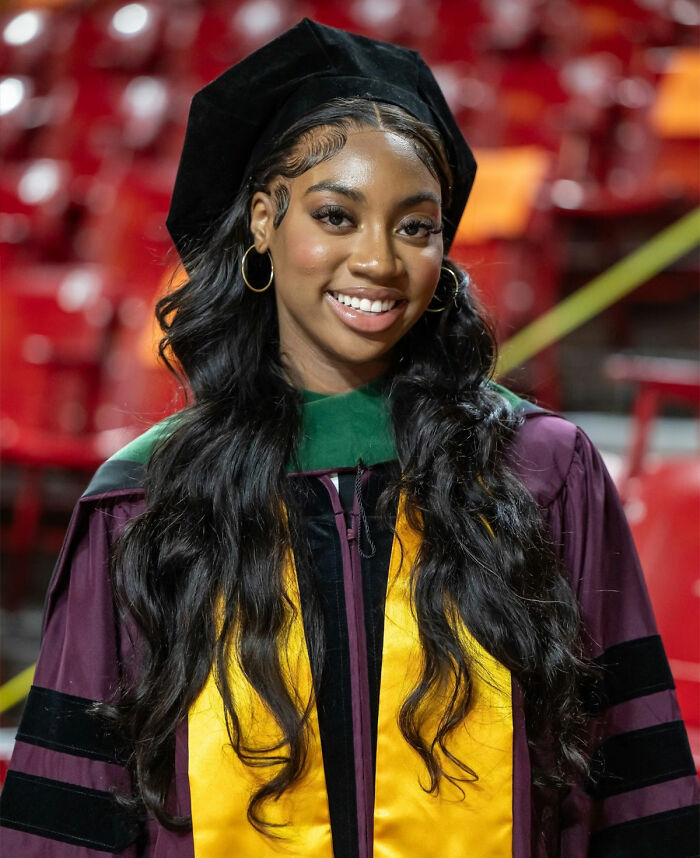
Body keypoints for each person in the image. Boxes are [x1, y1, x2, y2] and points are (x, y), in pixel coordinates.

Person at [1, 18, 697, 858]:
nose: (378, 260)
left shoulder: (539, 473)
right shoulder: (146, 500)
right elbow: (71, 819)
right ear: (263, 220)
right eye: (336, 216)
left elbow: (633, 789)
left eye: (415, 227)